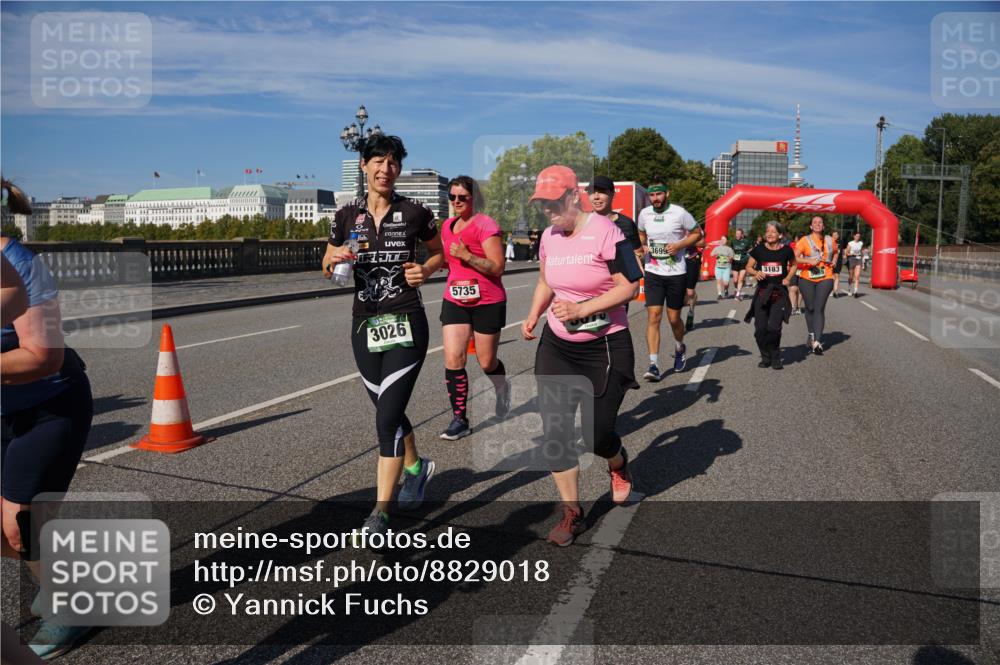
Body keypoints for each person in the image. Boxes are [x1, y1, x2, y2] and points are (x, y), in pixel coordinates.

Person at [322, 135, 444, 538]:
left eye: (393, 163)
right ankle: (416, 467)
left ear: (398, 170)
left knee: (386, 419)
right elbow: (325, 261)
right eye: (378, 161)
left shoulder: (415, 212)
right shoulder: (345, 216)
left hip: (406, 321)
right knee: (386, 412)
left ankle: (380, 513)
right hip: (363, 325)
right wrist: (333, 261)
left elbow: (439, 251)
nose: (385, 169)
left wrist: (425, 271)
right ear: (363, 166)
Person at [521, 165, 641, 546]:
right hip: (557, 346)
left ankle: (617, 462)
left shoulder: (608, 232)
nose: (548, 211)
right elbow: (545, 279)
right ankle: (572, 512)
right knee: (555, 434)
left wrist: (582, 309)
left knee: (596, 435)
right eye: (542, 204)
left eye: (554, 202)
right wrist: (534, 313)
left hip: (605, 345)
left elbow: (630, 286)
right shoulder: (549, 237)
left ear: (574, 196)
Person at [2, 178, 95, 659]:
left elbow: (45, 356)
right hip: (6, 411)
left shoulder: (20, 265)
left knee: (21, 523)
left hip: (50, 407)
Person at [438, 175, 509, 440]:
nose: (456, 201)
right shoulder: (447, 226)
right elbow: (446, 260)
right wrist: (423, 268)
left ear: (473, 199)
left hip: (487, 300)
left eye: (462, 197)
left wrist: (467, 255)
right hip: (455, 298)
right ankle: (459, 419)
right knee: (453, 357)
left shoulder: (486, 225)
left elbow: (497, 267)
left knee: (486, 361)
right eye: (452, 197)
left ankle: (502, 388)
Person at [636, 176, 701, 381]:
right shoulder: (644, 214)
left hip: (676, 273)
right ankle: (653, 364)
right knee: (654, 316)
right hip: (654, 271)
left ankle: (680, 347)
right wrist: (643, 246)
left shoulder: (679, 213)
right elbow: (641, 233)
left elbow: (697, 233)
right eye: (652, 195)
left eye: (659, 194)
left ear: (667, 193)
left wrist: (680, 245)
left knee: (674, 319)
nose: (655, 198)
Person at [744, 221, 797, 369]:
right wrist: (756, 272)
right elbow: (748, 267)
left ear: (780, 234)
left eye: (773, 231)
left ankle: (775, 356)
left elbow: (794, 265)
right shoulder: (759, 250)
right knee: (760, 330)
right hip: (762, 293)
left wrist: (788, 278)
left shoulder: (786, 250)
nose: (769, 234)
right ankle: (765, 356)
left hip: (779, 293)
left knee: (774, 328)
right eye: (768, 231)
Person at [794, 216, 836, 355]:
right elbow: (794, 257)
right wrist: (808, 260)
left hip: (826, 276)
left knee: (819, 308)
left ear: (823, 226)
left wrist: (834, 261)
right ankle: (811, 334)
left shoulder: (830, 240)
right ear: (811, 226)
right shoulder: (804, 240)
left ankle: (817, 342)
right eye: (815, 222)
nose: (818, 224)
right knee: (810, 308)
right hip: (807, 277)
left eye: (820, 222)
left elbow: (836, 252)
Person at [587, 175, 642, 254]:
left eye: (601, 191)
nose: (596, 197)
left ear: (613, 194)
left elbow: (639, 253)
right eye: (592, 192)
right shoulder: (582, 223)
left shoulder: (627, 224)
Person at [683, 228, 705, 331]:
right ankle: (677, 323)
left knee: (690, 292)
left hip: (691, 261)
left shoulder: (692, 226)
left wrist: (687, 241)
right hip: (676, 262)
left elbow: (703, 242)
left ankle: (691, 312)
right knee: (678, 294)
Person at [731, 228, 753, 301]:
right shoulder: (733, 241)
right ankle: (736, 289)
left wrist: (747, 255)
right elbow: (732, 250)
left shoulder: (746, 242)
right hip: (735, 262)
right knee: (735, 280)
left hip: (743, 262)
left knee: (740, 279)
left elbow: (751, 249)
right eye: (736, 234)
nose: (737, 235)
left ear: (742, 235)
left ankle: (738, 294)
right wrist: (732, 255)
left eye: (738, 234)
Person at [788, 232, 803, 315]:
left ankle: (798, 307)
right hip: (793, 269)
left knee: (801, 290)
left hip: (804, 270)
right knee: (793, 288)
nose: (798, 240)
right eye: (797, 238)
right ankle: (792, 307)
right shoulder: (792, 245)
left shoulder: (807, 246)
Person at [846, 232, 864, 297]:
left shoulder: (861, 243)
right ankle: (849, 288)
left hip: (858, 259)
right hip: (851, 259)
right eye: (856, 236)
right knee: (851, 276)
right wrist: (852, 254)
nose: (858, 237)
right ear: (854, 236)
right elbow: (847, 253)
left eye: (859, 236)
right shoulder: (850, 243)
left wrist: (863, 262)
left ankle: (855, 291)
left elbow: (862, 252)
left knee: (857, 276)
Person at [830, 231, 845, 297]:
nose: (835, 236)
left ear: (838, 236)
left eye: (836, 235)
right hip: (830, 261)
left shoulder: (841, 242)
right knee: (831, 276)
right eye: (833, 235)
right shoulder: (829, 242)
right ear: (831, 236)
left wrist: (844, 256)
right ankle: (831, 290)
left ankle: (835, 291)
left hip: (838, 261)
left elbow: (843, 250)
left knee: (837, 276)